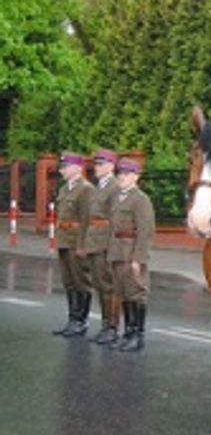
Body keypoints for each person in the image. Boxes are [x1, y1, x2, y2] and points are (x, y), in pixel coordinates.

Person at [106, 157, 155, 352]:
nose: (122, 177)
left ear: (136, 177)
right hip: (117, 251)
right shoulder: (118, 197)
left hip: (131, 252)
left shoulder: (140, 199)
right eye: (120, 173)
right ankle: (128, 331)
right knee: (123, 293)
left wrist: (139, 258)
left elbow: (146, 230)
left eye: (127, 174)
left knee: (136, 293)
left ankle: (138, 334)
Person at [52, 152, 95, 338]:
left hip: (76, 242)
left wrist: (83, 245)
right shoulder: (64, 189)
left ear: (77, 168)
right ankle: (72, 319)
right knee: (68, 282)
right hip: (63, 241)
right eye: (62, 167)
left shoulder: (86, 189)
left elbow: (87, 219)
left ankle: (81, 321)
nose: (62, 170)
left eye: (66, 166)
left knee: (81, 282)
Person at [84, 148, 122, 346]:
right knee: (99, 285)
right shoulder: (99, 186)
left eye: (100, 164)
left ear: (110, 166)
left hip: (105, 243)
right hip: (95, 242)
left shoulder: (115, 187)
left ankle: (112, 327)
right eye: (95, 164)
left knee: (109, 287)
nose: (95, 167)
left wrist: (112, 247)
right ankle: (106, 324)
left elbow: (116, 219)